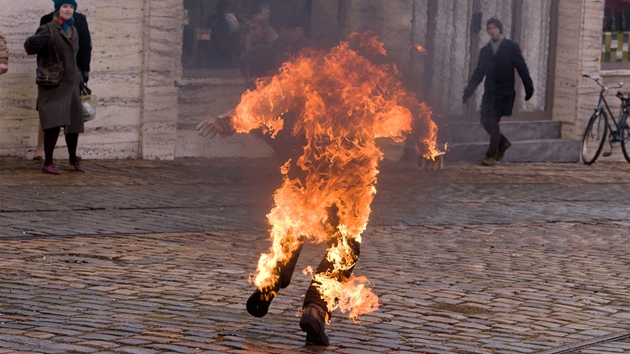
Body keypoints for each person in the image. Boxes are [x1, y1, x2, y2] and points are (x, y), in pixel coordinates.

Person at [197, 31, 442, 346]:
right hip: (352, 173)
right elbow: (414, 110)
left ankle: (269, 282)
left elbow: (268, 100)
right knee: (344, 242)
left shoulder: (311, 73)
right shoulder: (377, 82)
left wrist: (226, 121)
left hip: (308, 166)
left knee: (295, 225)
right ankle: (315, 308)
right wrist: (428, 145)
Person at [462, 17, 534, 166]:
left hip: (504, 92)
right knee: (484, 120)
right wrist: (468, 91)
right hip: (490, 92)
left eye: (494, 28)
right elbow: (479, 73)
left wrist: (529, 87)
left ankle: (491, 155)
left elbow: (522, 68)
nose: (492, 31)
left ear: (500, 29)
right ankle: (503, 142)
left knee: (493, 121)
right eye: (489, 28)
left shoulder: (510, 47)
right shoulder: (485, 51)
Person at [24, 0, 84, 174]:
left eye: (71, 7)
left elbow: (75, 55)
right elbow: (30, 47)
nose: (68, 9)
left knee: (73, 123)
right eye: (65, 6)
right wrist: (33, 41)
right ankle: (48, 162)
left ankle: (73, 157)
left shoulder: (73, 30)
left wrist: (82, 75)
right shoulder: (48, 28)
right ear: (58, 9)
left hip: (72, 83)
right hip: (53, 82)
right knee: (53, 123)